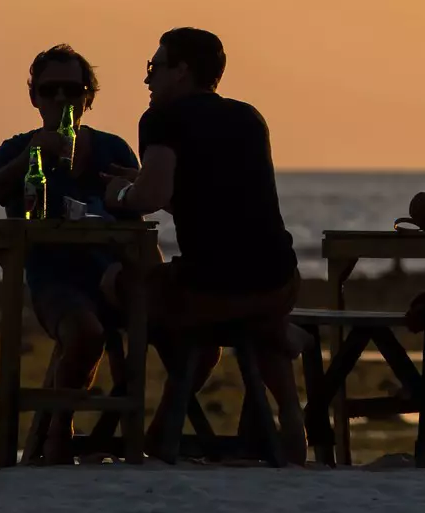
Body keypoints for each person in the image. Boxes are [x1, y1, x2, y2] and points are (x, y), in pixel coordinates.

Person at [102, 28, 306, 462]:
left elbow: (150, 200)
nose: (148, 80)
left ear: (182, 72)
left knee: (117, 283)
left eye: (154, 68)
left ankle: (143, 424)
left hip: (210, 290)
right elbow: (212, 205)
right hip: (278, 281)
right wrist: (143, 179)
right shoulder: (248, 118)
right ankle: (291, 420)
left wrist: (118, 193)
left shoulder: (161, 119)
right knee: (251, 317)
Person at [0, 43, 139, 462]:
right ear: (34, 97)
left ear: (87, 97)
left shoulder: (112, 149)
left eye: (72, 90)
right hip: (56, 282)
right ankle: (61, 431)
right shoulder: (17, 149)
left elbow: (141, 215)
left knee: (183, 335)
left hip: (115, 277)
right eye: (50, 91)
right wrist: (30, 158)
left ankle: (153, 436)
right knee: (86, 333)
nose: (61, 100)